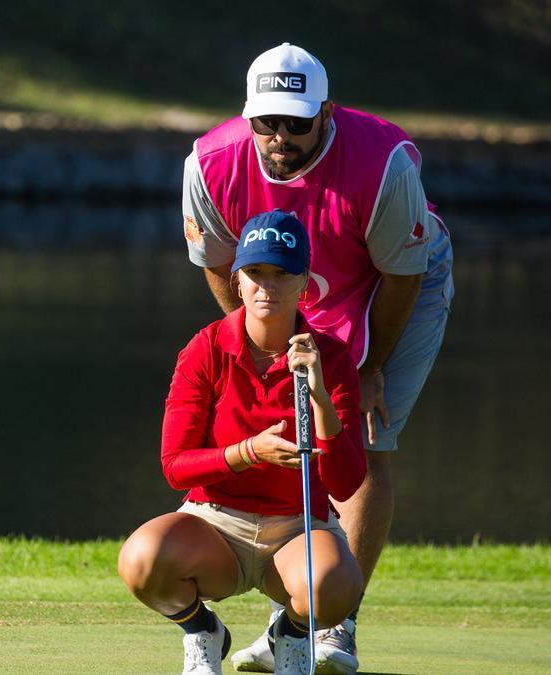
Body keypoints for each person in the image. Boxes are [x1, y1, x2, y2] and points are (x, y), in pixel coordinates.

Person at [181, 43, 454, 673]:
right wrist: (248, 350)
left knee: (364, 433)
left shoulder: (381, 163)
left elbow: (401, 277)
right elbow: (224, 270)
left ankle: (335, 627)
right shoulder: (209, 164)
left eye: (297, 122)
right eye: (266, 121)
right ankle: (296, 618)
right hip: (282, 279)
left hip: (393, 278)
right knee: (278, 433)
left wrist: (365, 369)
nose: (280, 135)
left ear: (326, 113)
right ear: (247, 116)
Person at [119, 209, 366, 675]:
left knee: (335, 587)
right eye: (255, 272)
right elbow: (175, 465)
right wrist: (249, 452)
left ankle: (291, 634)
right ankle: (202, 631)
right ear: (237, 280)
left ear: (304, 283)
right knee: (141, 559)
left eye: (281, 273)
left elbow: (347, 482)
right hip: (216, 525)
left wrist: (318, 395)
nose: (267, 286)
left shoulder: (329, 357)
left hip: (299, 524)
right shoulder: (206, 348)